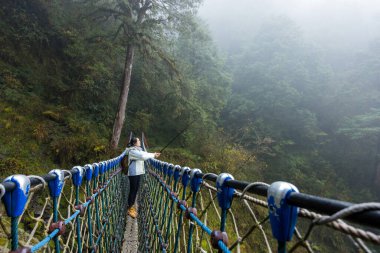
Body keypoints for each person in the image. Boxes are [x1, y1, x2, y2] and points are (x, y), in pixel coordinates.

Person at [126, 137, 160, 218]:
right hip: (133, 173)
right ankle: (130, 208)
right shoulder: (132, 151)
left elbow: (144, 154)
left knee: (135, 190)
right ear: (134, 143)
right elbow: (142, 156)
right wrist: (153, 155)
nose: (140, 141)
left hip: (138, 173)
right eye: (138, 141)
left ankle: (131, 206)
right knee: (133, 190)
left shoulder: (138, 150)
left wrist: (153, 154)